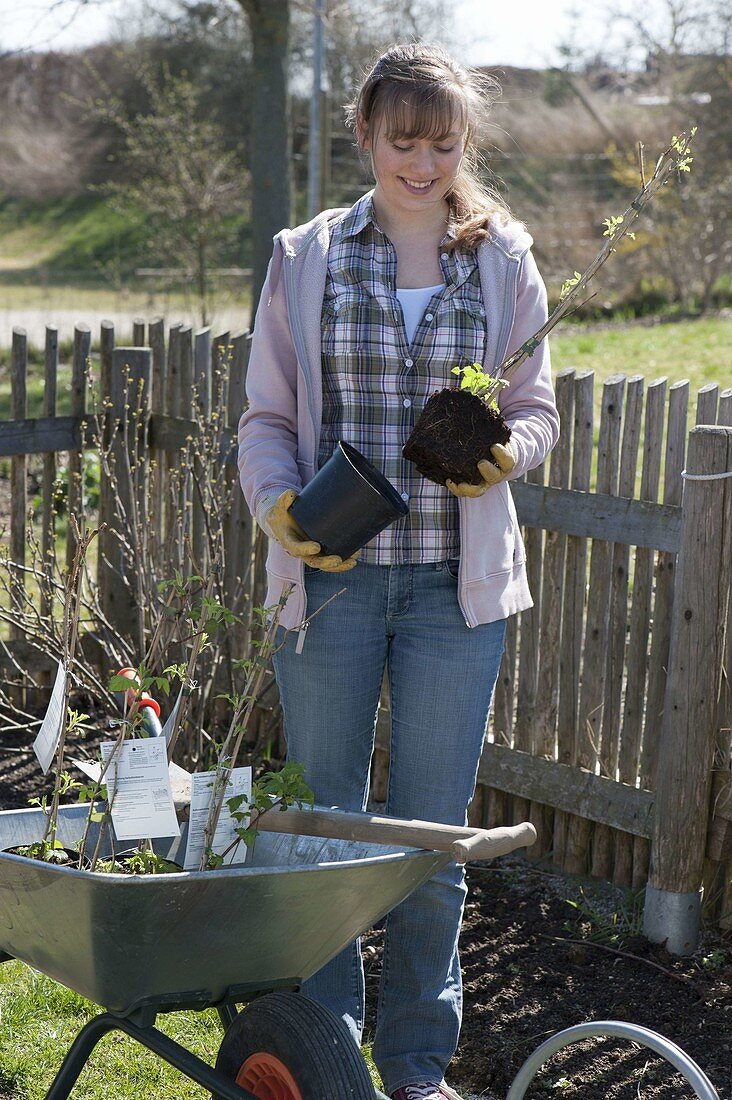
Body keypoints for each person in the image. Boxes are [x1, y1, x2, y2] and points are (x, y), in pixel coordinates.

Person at [238, 42, 559, 1100]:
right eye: (402, 140)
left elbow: (537, 407)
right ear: (367, 137)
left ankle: (418, 1064)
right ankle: (324, 1051)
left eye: (442, 141)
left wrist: (515, 450)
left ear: (463, 142)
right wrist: (276, 506)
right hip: (332, 580)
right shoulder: (310, 253)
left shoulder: (503, 258)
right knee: (325, 829)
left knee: (432, 837)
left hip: (450, 600)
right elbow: (268, 415)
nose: (423, 163)